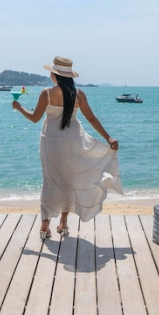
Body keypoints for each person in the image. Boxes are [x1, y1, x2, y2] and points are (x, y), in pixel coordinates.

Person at [12, 56, 122, 240]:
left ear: (55, 75)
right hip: (72, 142)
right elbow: (91, 118)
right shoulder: (78, 94)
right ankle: (63, 222)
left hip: (50, 142)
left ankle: (45, 224)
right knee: (68, 181)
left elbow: (34, 118)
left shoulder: (46, 93)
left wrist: (19, 107)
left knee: (49, 181)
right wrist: (108, 137)